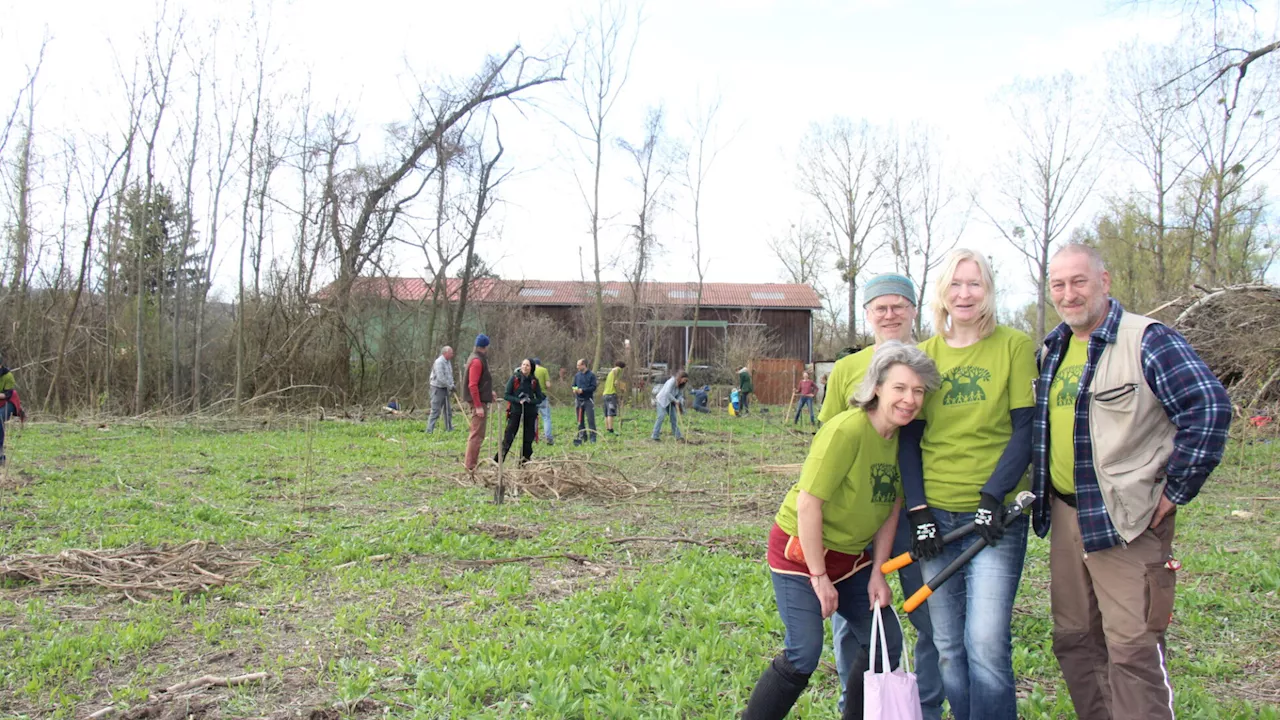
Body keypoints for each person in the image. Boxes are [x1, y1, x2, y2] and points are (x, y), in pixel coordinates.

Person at [1032, 244, 1230, 719]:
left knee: (1132, 648)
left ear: (1105, 280)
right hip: (1066, 513)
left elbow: (1209, 408)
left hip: (1128, 520)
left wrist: (1174, 492)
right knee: (1076, 639)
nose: (1068, 293)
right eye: (1058, 284)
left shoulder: (1146, 339)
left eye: (1079, 281)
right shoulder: (1052, 349)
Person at [742, 342, 941, 720]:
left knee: (885, 643)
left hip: (852, 560)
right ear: (878, 387)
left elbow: (890, 507)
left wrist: (879, 572)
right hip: (800, 553)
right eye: (900, 388)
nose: (909, 399)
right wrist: (819, 577)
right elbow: (808, 504)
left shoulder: (901, 439)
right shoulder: (846, 430)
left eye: (918, 391)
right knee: (804, 652)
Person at [902, 250, 1037, 720]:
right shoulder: (924, 356)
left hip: (993, 520)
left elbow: (1025, 430)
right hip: (936, 516)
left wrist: (992, 498)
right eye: (956, 284)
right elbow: (909, 439)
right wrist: (918, 513)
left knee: (985, 641)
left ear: (989, 290)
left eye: (974, 284)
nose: (964, 293)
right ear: (943, 292)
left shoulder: (1014, 346)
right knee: (946, 645)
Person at [817, 273, 945, 720]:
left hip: (916, 511)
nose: (889, 315)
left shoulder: (930, 364)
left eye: (898, 306)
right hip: (855, 519)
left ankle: (922, 707)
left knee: (928, 615)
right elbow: (828, 441)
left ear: (914, 310)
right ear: (868, 315)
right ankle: (855, 706)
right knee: (853, 621)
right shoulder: (848, 370)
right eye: (880, 308)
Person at [497, 357, 545, 465]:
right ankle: (498, 461)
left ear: (531, 367)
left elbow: (540, 397)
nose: (525, 367)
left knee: (528, 439)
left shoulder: (534, 381)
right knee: (509, 437)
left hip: (530, 413)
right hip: (515, 411)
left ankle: (524, 462)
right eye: (523, 364)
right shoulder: (514, 378)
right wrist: (518, 400)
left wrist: (530, 400)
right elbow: (506, 395)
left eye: (527, 365)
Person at [462, 335, 497, 473]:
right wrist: (478, 406)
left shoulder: (477, 358)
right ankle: (470, 466)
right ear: (485, 347)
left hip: (481, 399)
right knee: (477, 434)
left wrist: (489, 392)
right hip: (478, 403)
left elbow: (481, 382)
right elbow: (472, 385)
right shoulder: (477, 361)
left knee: (478, 434)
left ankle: (472, 464)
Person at [652, 370, 688, 441]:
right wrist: (675, 400)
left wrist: (680, 400)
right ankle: (655, 436)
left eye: (686, 381)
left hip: (671, 402)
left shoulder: (681, 386)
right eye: (684, 380)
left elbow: (680, 395)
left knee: (673, 419)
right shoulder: (672, 381)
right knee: (661, 417)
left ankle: (678, 436)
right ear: (680, 377)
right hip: (662, 400)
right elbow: (667, 393)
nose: (685, 382)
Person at [427, 346, 455, 433]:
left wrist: (452, 385)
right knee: (435, 410)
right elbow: (440, 378)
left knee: (447, 410)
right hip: (437, 388)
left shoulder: (448, 362)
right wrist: (450, 386)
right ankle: (429, 430)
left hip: (445, 388)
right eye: (451, 353)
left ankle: (449, 428)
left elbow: (449, 375)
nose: (452, 355)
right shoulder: (439, 362)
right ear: (445, 353)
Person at [0, 364, 24, 466]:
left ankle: (0, 454)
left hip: (8, 401)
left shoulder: (8, 375)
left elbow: (7, 395)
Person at [572, 358, 598, 445]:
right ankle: (582, 436)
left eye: (578, 365)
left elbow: (593, 387)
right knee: (580, 420)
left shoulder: (591, 375)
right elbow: (574, 385)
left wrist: (583, 390)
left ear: (584, 365)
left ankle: (593, 438)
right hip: (578, 400)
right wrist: (575, 389)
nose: (577, 367)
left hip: (588, 400)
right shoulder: (577, 376)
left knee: (591, 420)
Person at [533, 358, 553, 445]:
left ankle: (533, 437)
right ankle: (548, 437)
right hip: (542, 397)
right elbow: (548, 384)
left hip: (533, 398)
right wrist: (547, 389)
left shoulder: (530, 370)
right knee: (546, 417)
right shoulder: (544, 370)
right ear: (540, 364)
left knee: (533, 418)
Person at [602, 360, 625, 434]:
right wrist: (621, 388)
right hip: (611, 395)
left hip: (605, 394)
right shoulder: (618, 370)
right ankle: (611, 429)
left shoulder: (610, 374)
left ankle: (607, 429)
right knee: (610, 413)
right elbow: (616, 370)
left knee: (606, 414)